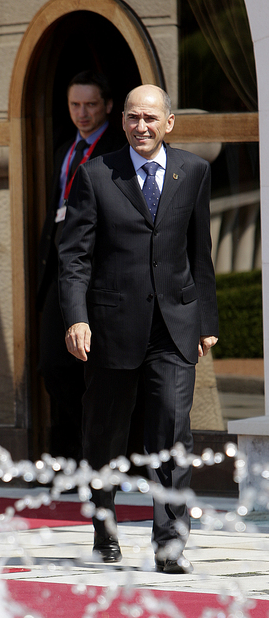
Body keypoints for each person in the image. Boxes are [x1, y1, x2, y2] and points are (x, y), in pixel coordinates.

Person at [59, 84, 219, 571]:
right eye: (133, 117)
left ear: (169, 122)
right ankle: (104, 529)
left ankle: (169, 544)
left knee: (171, 433)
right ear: (122, 120)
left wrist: (206, 320)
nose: (141, 126)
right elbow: (74, 257)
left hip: (173, 326)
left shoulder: (194, 171)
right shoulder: (95, 174)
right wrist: (77, 318)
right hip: (110, 328)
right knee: (104, 436)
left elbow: (200, 252)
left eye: (150, 117)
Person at [38, 70, 124, 461]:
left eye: (91, 105)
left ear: (108, 105)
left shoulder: (118, 149)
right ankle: (79, 451)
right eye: (75, 105)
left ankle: (101, 456)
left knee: (99, 372)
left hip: (100, 269)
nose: (83, 113)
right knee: (53, 365)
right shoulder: (64, 148)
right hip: (59, 266)